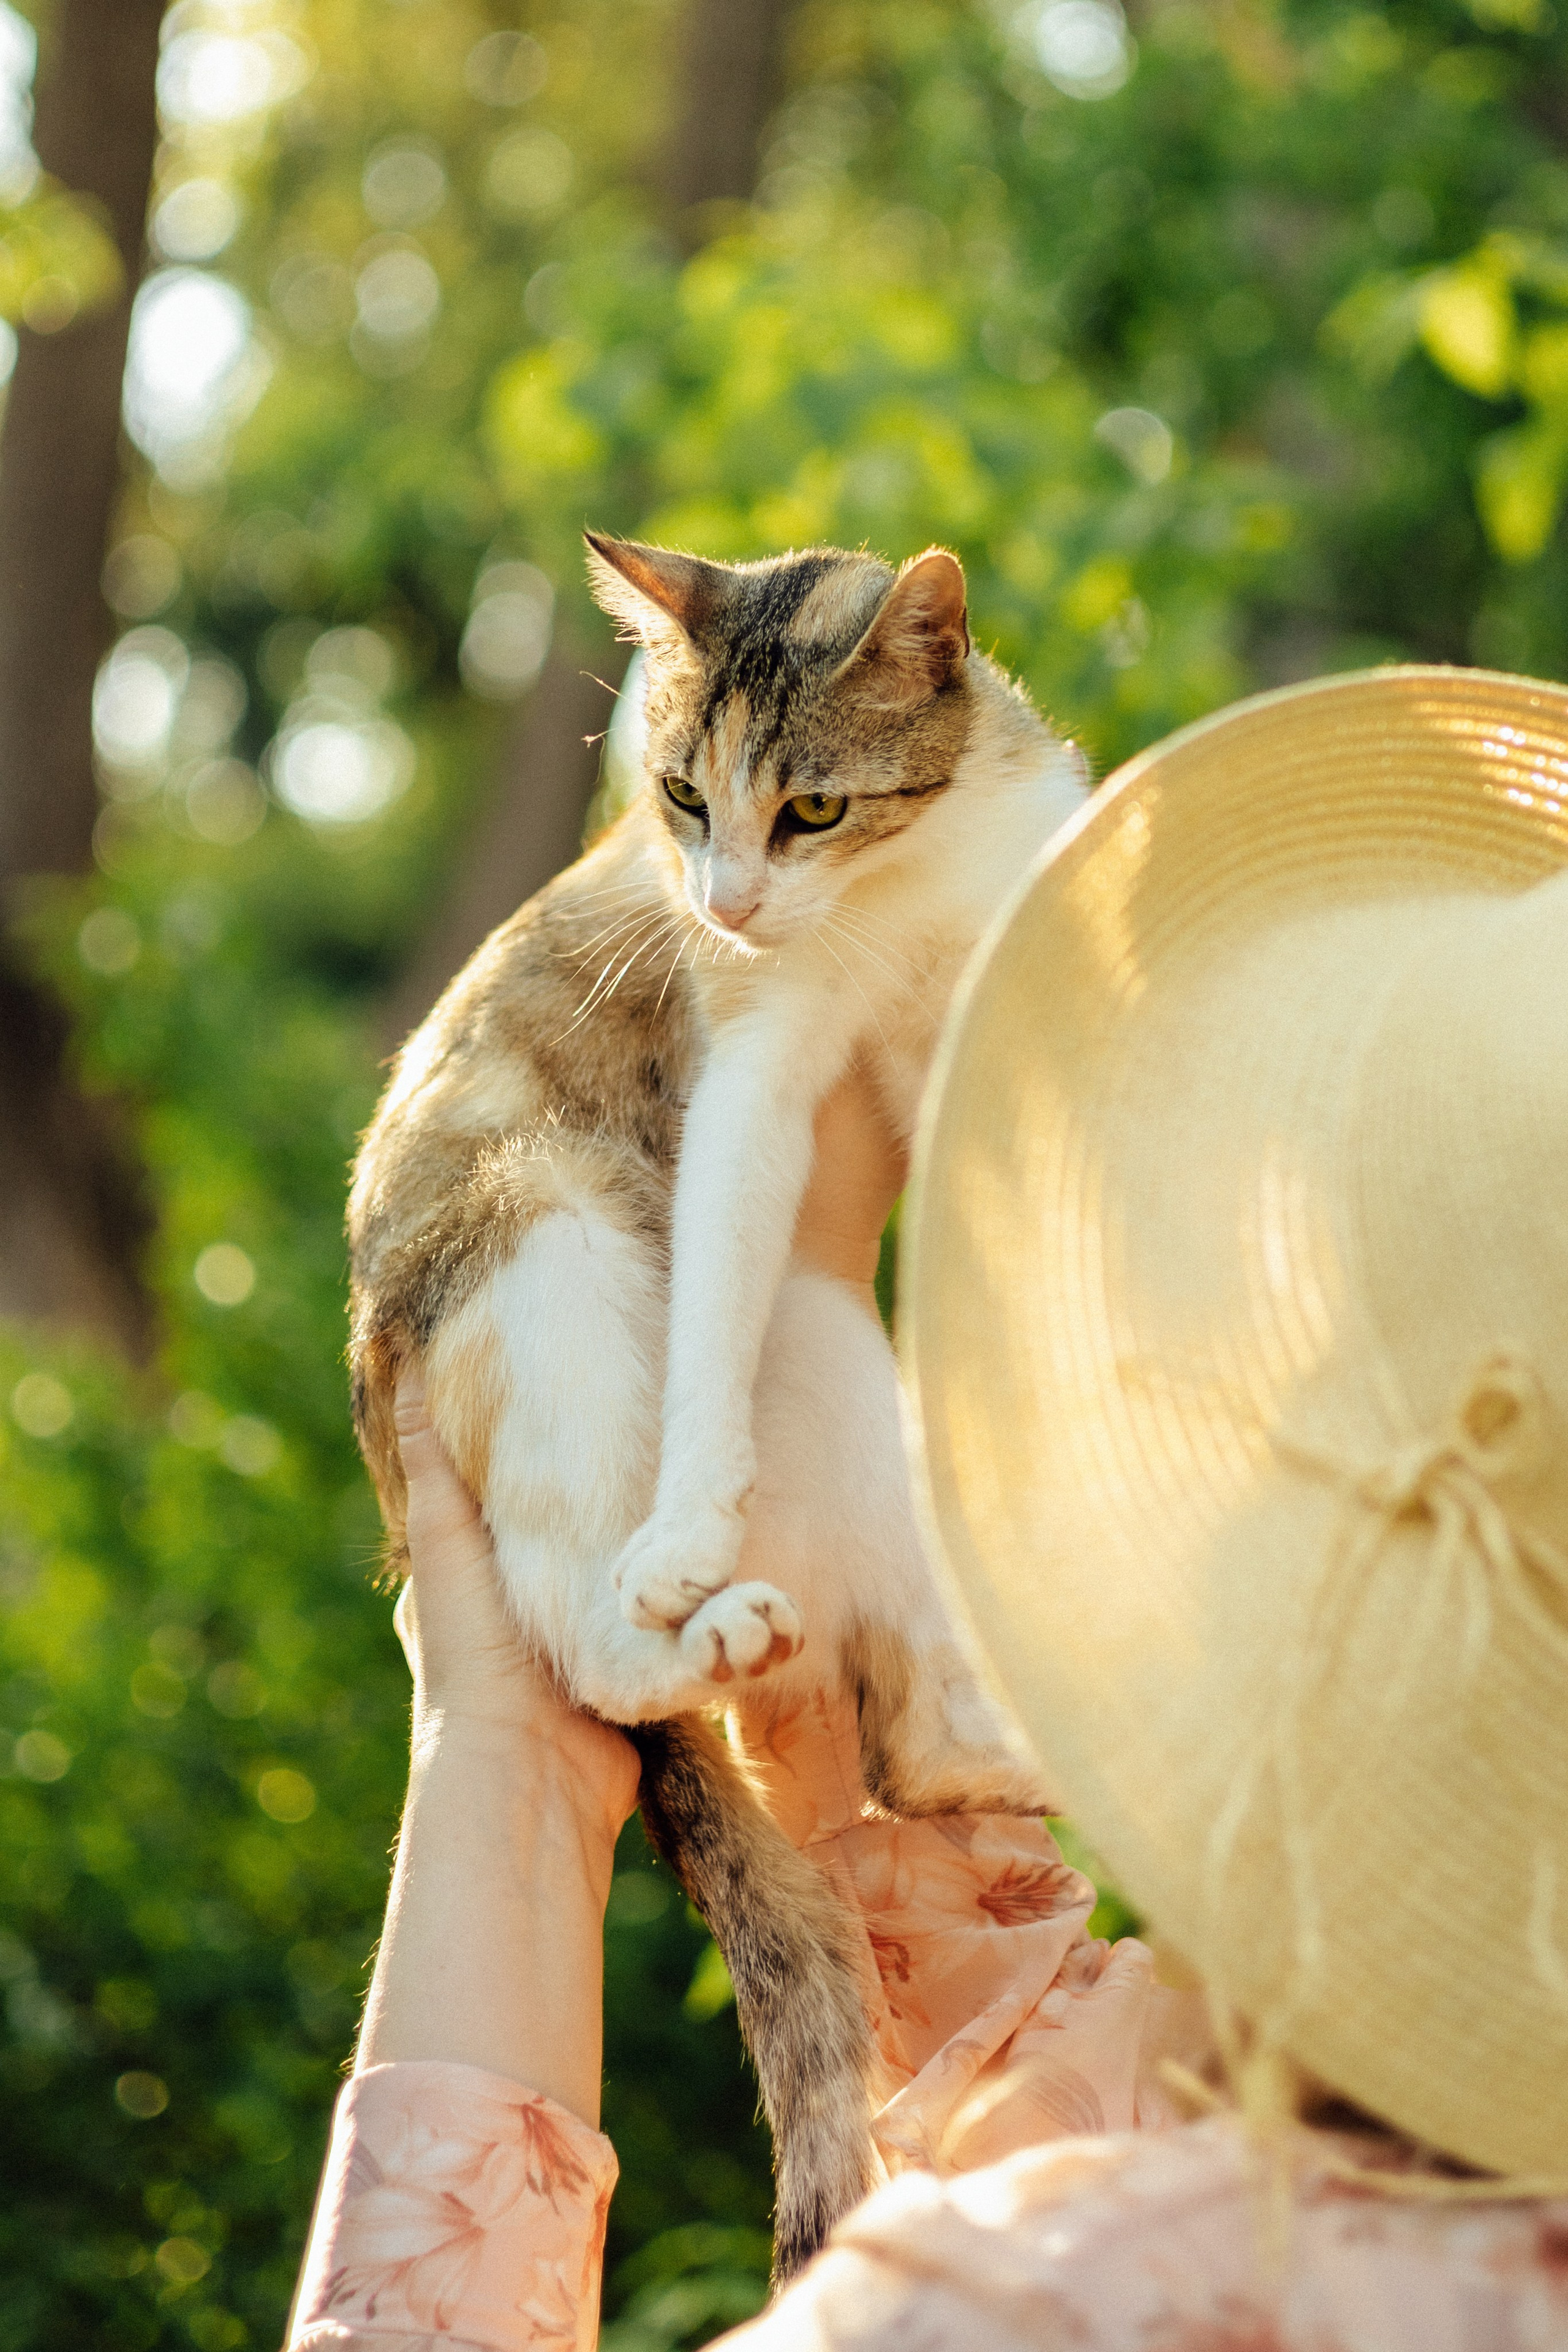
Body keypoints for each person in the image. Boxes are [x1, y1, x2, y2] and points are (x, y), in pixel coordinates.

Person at [289, 666, 1568, 2351]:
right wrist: (802, 1286)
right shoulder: (1219, 2115)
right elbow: (997, 2014)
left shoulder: (1064, 2292)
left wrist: (507, 1765)